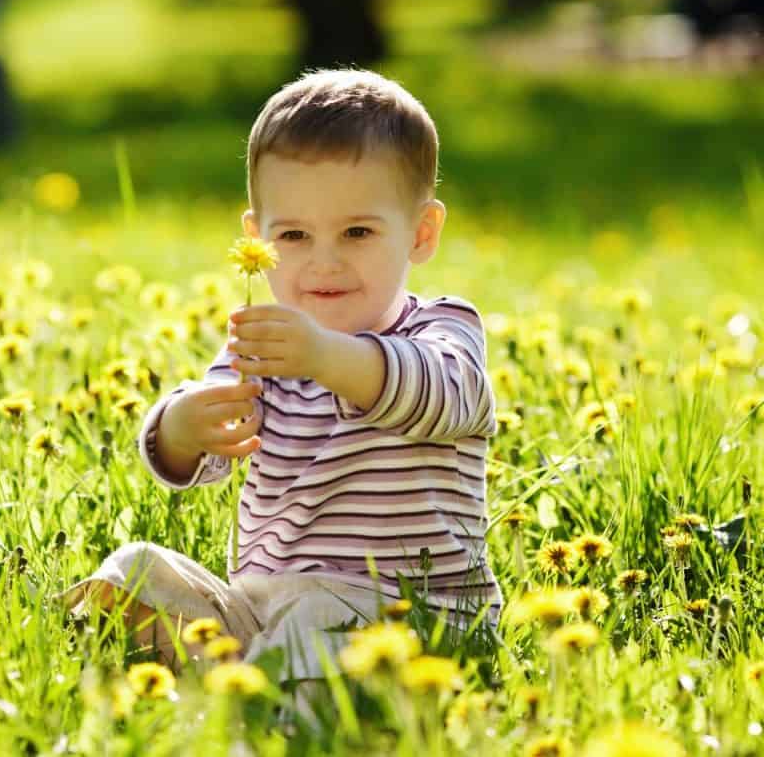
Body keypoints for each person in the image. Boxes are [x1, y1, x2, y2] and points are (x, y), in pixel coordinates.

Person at [58, 68, 501, 719]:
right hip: (260, 604)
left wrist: (327, 357)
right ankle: (231, 685)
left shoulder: (441, 328)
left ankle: (252, 710)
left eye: (357, 232)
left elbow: (445, 393)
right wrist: (181, 428)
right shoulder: (263, 345)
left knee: (318, 621)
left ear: (421, 233)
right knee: (131, 572)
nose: (323, 262)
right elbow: (202, 445)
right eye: (293, 236)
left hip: (408, 613)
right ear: (257, 238)